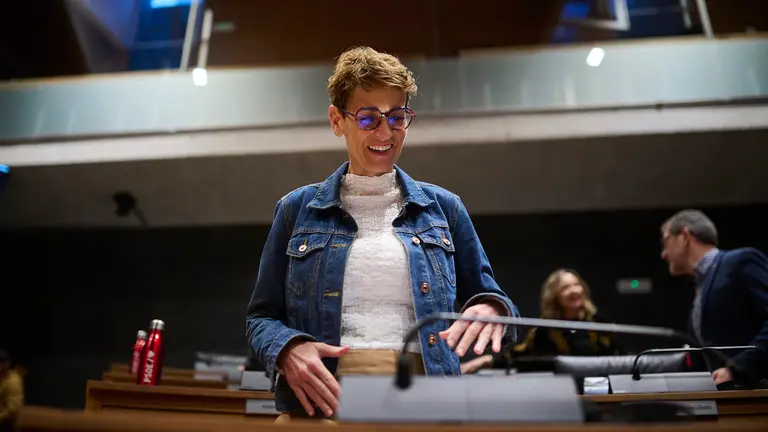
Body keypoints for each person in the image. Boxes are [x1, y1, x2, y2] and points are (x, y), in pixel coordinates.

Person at [246, 46, 519, 420]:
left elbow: (493, 299)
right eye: (367, 118)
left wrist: (491, 308)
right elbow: (260, 317)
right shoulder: (297, 210)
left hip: (428, 388)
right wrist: (287, 349)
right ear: (337, 120)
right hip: (327, 393)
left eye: (397, 117)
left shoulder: (445, 208)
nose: (385, 132)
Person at [660, 209, 768, 387]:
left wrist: (736, 369)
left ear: (685, 236)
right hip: (725, 401)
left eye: (666, 241)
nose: (663, 254)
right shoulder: (699, 288)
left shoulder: (741, 261)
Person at [461, 269, 621, 374]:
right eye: (565, 287)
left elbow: (619, 361)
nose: (573, 290)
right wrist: (484, 361)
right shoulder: (545, 329)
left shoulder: (601, 325)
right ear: (555, 296)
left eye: (576, 285)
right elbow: (517, 356)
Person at [0, 350, 23, 432]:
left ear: (8, 364)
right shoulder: (2, 378)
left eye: (2, 362)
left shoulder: (13, 382)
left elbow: (11, 411)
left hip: (6, 425)